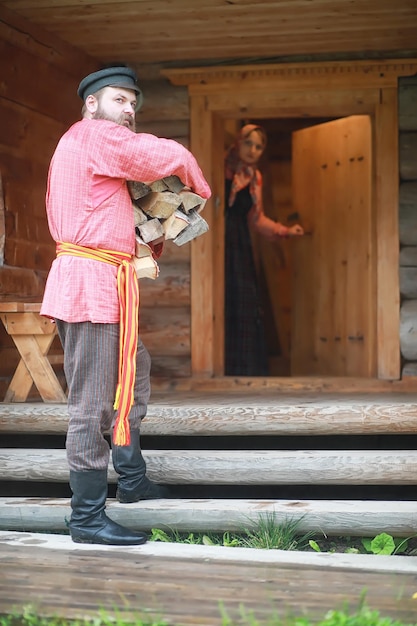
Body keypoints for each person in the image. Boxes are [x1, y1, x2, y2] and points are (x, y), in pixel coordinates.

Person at [41, 66, 211, 546]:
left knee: (132, 377)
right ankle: (88, 517)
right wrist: (192, 173)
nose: (129, 110)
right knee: (91, 402)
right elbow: (155, 154)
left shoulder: (92, 146)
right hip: (89, 284)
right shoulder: (94, 134)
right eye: (120, 100)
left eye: (133, 102)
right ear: (92, 104)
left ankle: (131, 480)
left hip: (109, 283)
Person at [224, 124, 303, 376]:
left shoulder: (254, 176)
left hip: (240, 244)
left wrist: (284, 231)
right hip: (216, 242)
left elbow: (256, 219)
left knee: (245, 304)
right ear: (238, 142)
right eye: (249, 143)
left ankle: (243, 372)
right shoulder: (220, 166)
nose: (253, 150)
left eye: (259, 147)